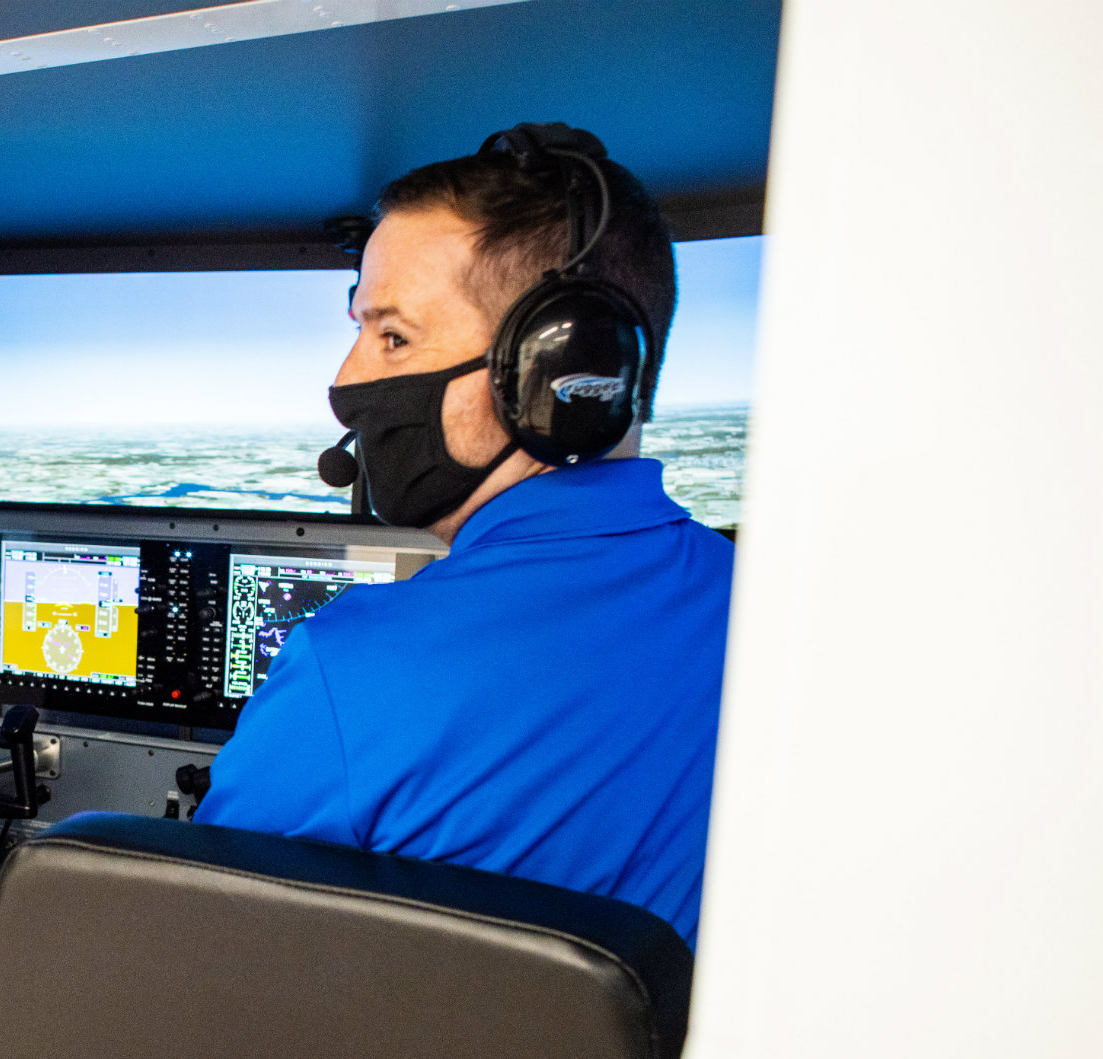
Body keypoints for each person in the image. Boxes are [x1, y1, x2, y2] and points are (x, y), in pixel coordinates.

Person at [198, 125, 733, 948]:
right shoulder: (758, 607)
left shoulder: (356, 666)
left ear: (557, 371)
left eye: (393, 336)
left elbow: (195, 955)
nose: (347, 380)